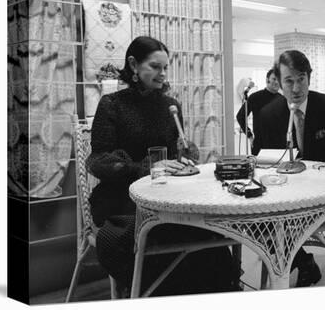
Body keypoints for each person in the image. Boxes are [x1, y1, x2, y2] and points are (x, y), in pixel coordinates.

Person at [87, 36, 237, 296]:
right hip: (121, 198)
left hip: (164, 195)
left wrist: (185, 153)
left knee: (203, 225)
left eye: (165, 68)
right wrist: (145, 169)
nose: (162, 73)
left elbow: (173, 157)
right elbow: (98, 161)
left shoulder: (170, 106)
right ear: (133, 65)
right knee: (157, 231)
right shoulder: (112, 105)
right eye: (155, 67)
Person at [258, 50, 325, 286]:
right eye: (288, 81)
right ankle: (304, 262)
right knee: (257, 223)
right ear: (278, 82)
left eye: (301, 79)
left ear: (309, 77)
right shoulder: (268, 115)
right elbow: (262, 162)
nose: (296, 88)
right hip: (286, 195)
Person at [235, 67, 283, 155]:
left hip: (279, 146)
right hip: (260, 144)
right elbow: (240, 116)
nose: (276, 82)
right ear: (267, 80)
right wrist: (249, 135)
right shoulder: (255, 97)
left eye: (279, 79)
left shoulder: (282, 99)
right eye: (274, 79)